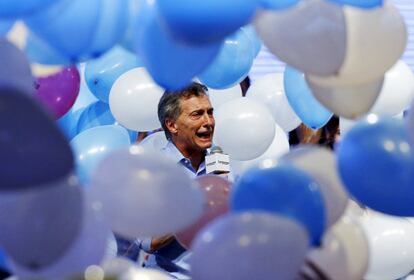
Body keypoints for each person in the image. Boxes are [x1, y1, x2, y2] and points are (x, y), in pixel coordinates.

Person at [138, 82, 215, 279]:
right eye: (197, 114)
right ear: (172, 125)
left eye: (210, 112)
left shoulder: (220, 159)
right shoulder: (154, 172)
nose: (208, 121)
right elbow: (149, 241)